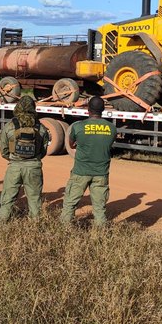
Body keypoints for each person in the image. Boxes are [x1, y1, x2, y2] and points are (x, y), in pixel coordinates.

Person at [60, 96, 117, 227]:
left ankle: (63, 230)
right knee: (99, 208)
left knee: (70, 203)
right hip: (101, 173)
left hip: (80, 172)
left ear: (88, 109)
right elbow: (108, 144)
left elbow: (71, 144)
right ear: (103, 110)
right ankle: (100, 235)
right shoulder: (112, 128)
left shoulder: (78, 127)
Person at [0, 95, 49, 223]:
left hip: (14, 166)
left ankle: (1, 222)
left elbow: (3, 149)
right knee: (34, 198)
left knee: (8, 197)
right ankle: (35, 225)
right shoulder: (41, 128)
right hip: (33, 167)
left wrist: (13, 158)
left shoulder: (10, 126)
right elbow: (43, 151)